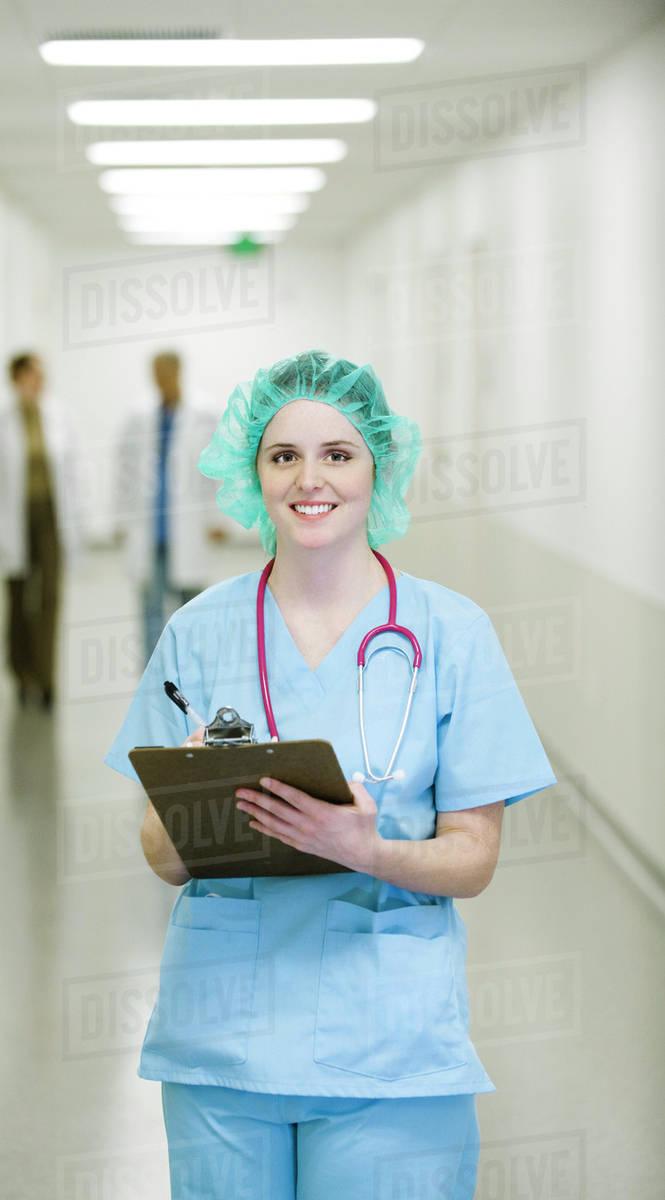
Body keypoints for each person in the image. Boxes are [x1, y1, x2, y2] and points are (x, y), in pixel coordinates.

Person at [104, 351, 556, 1199]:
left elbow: (473, 858)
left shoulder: (451, 634)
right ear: (254, 473)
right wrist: (196, 802)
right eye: (283, 456)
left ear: (376, 466)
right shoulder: (199, 633)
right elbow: (160, 855)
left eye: (337, 454)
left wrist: (368, 849)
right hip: (221, 1048)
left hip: (390, 1050)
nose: (310, 478)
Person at [0, 352, 82, 709]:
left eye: (41, 374)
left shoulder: (57, 416)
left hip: (50, 519)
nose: (38, 380)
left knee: (50, 600)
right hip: (15, 521)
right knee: (17, 603)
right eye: (31, 374)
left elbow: (71, 473)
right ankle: (21, 674)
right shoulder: (0, 423)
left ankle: (46, 679)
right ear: (17, 378)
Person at [114, 351, 227, 662]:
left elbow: (216, 469)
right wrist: (121, 520)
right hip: (150, 528)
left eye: (165, 373)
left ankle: (186, 668)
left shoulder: (204, 412)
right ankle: (153, 671)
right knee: (150, 603)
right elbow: (124, 470)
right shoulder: (139, 416)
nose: (160, 380)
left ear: (178, 372)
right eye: (155, 373)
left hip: (187, 527)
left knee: (189, 603)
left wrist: (218, 519)